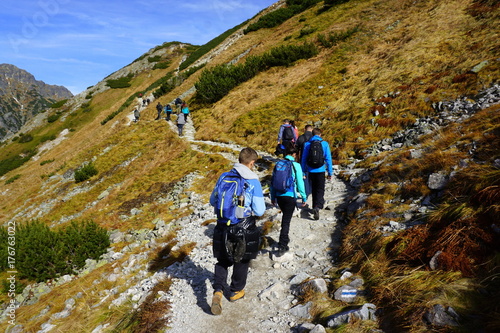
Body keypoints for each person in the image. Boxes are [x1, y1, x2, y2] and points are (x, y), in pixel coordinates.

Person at [209, 148, 265, 315]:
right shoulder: (253, 180)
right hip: (243, 225)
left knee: (223, 259)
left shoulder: (224, 176)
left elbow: (213, 200)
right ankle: (235, 291)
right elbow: (260, 210)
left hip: (222, 224)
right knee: (241, 258)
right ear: (251, 163)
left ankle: (218, 291)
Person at [270, 141, 307, 257]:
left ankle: (284, 238)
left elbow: (272, 182)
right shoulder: (296, 165)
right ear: (295, 154)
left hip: (279, 196)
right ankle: (282, 244)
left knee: (285, 219)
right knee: (286, 221)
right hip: (290, 196)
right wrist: (304, 197)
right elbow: (300, 183)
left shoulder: (278, 164)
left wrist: (273, 196)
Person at [300, 128, 333, 220]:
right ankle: (317, 206)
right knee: (320, 189)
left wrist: (303, 171)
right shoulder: (325, 144)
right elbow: (328, 159)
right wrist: (330, 172)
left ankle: (315, 205)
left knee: (313, 189)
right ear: (320, 134)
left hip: (310, 170)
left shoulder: (307, 144)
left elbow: (303, 159)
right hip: (321, 170)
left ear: (312, 134)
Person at [295, 124, 313, 197]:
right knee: (312, 175)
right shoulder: (314, 137)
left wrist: (297, 159)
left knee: (304, 175)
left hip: (303, 159)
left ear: (304, 129)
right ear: (312, 129)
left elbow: (296, 149)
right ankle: (312, 190)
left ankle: (306, 191)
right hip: (313, 160)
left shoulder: (301, 137)